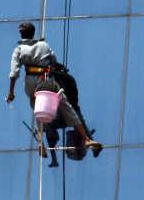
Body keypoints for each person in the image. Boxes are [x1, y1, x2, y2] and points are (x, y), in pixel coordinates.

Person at [6, 22, 102, 157]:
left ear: (21, 34)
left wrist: (11, 93)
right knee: (66, 105)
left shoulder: (19, 49)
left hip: (30, 84)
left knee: (38, 112)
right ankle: (86, 139)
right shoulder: (43, 45)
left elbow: (14, 73)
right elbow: (53, 59)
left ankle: (40, 144)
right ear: (33, 33)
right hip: (44, 80)